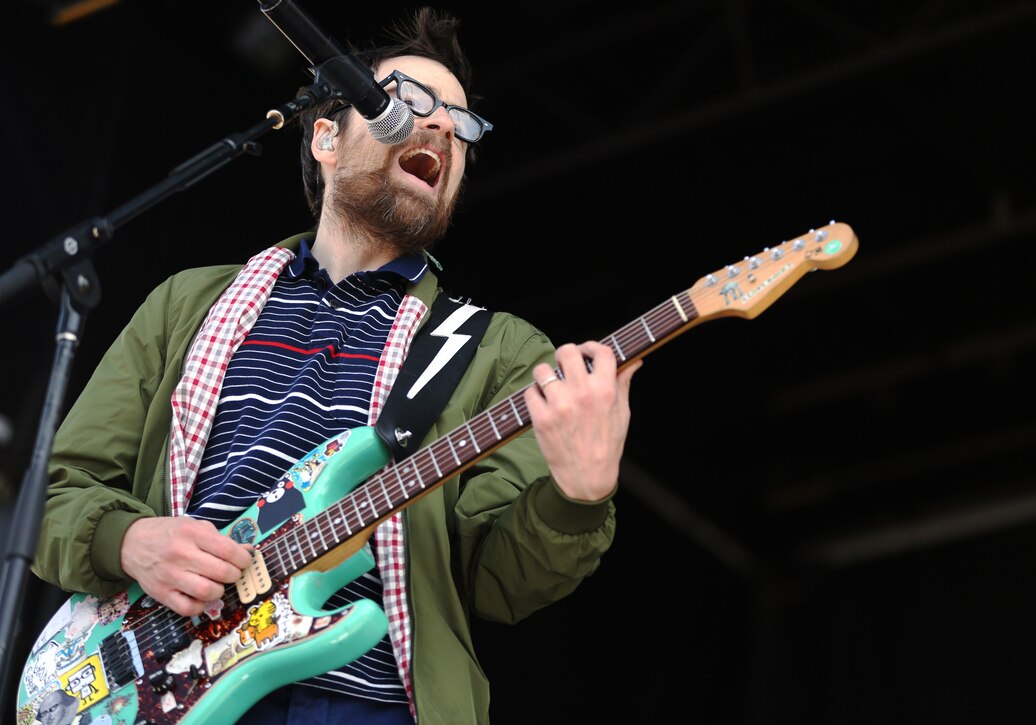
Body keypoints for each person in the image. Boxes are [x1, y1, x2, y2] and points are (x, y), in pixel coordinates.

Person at [30, 6, 640, 725]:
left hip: (368, 702)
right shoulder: (187, 303)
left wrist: (578, 496)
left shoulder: (498, 350)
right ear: (325, 136)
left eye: (463, 124)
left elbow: (496, 582)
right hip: (166, 687)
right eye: (409, 102)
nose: (443, 127)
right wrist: (128, 539)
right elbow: (55, 492)